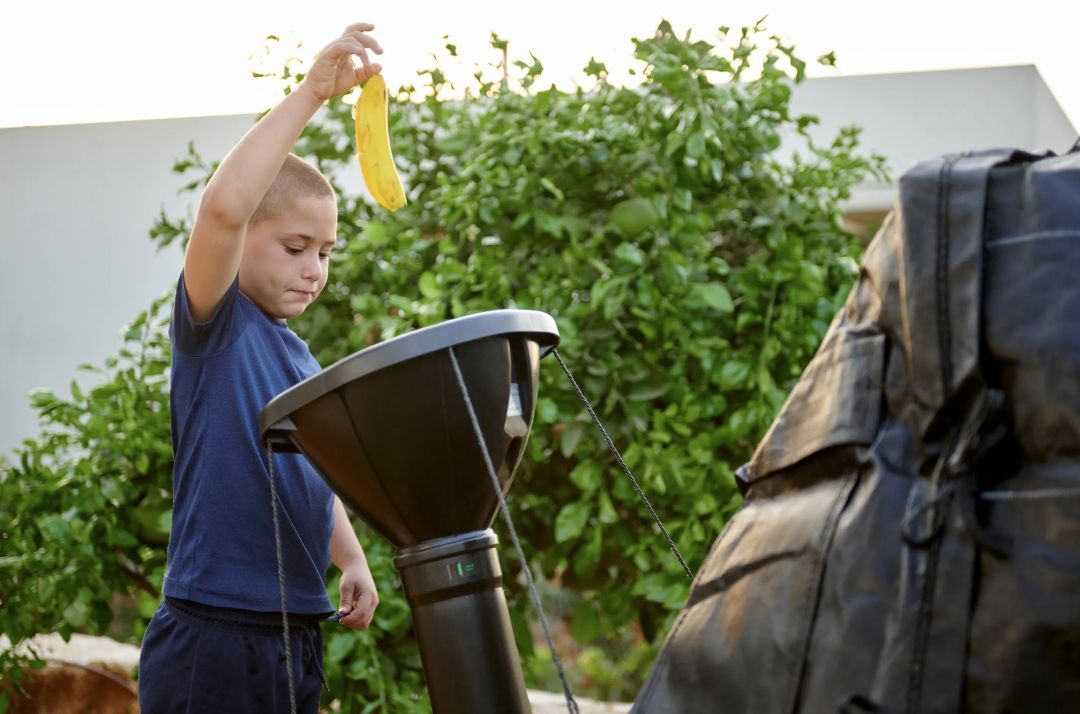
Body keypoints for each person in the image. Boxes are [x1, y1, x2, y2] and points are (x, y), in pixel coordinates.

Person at [138, 22, 384, 714]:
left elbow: (310, 470)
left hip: (293, 631)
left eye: (327, 253)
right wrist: (311, 94)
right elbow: (222, 208)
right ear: (246, 238)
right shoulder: (214, 325)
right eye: (296, 247)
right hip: (210, 630)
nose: (314, 270)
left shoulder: (300, 358)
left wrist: (351, 558)